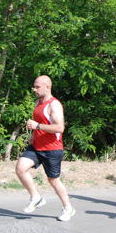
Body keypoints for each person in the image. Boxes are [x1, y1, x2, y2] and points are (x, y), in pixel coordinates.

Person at [15, 75, 75, 221]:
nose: (34, 89)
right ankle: (36, 197)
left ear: (47, 87)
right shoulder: (38, 103)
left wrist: (38, 126)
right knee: (20, 168)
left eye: (37, 87)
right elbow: (40, 122)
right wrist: (34, 134)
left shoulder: (54, 104)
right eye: (34, 86)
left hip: (52, 149)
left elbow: (59, 128)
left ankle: (68, 208)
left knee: (53, 180)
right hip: (36, 146)